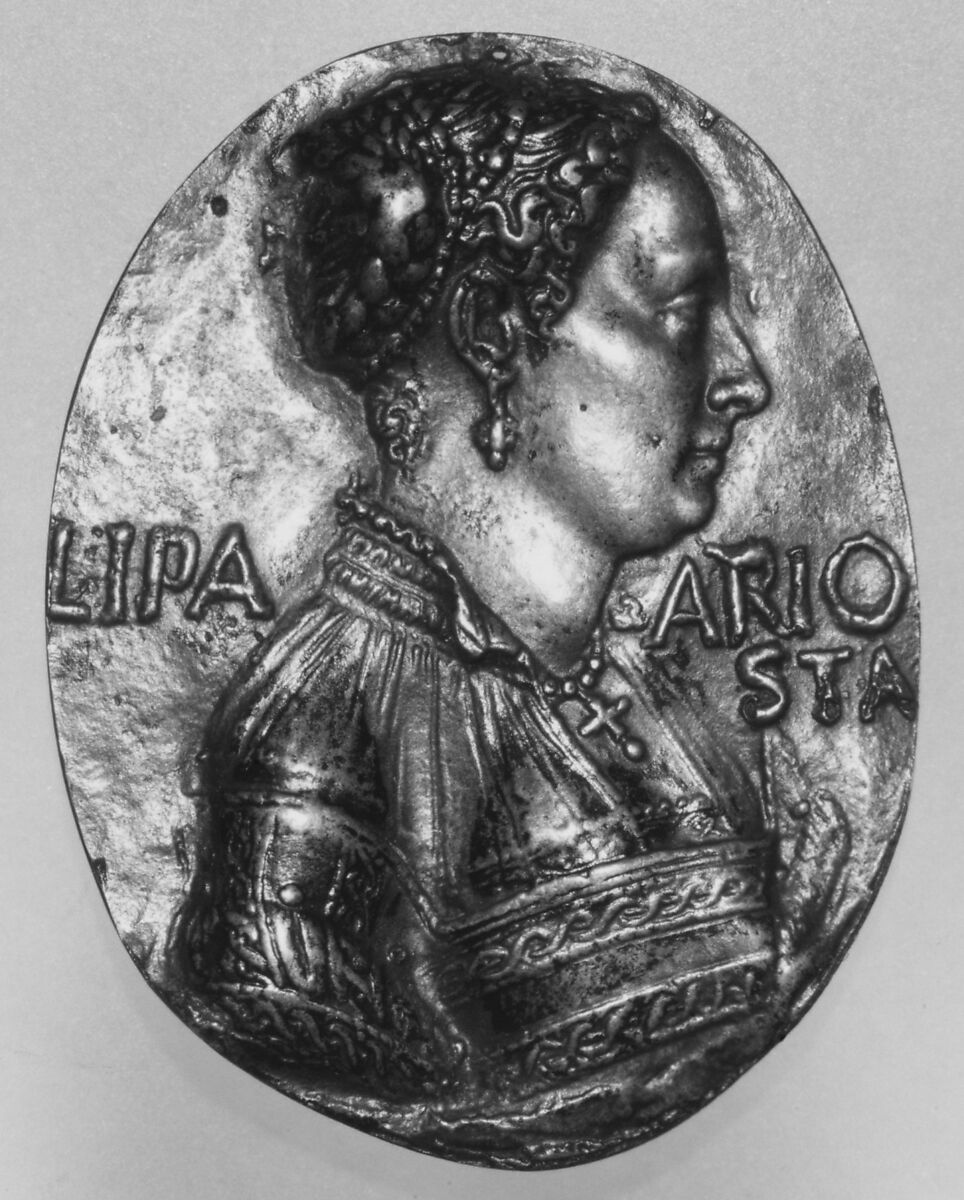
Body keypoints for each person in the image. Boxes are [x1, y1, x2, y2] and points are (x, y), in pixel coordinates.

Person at [174, 60, 816, 1153]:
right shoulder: (326, 738)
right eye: (679, 309)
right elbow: (348, 1084)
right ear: (489, 329)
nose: (746, 376)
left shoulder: (641, 689)